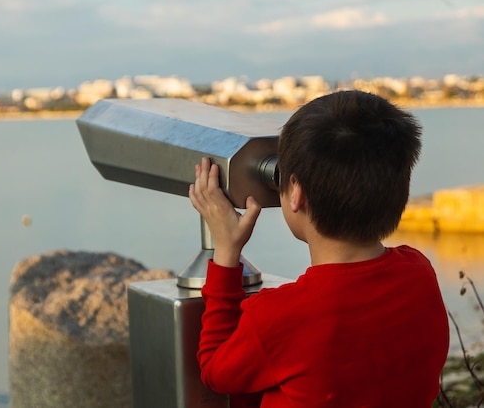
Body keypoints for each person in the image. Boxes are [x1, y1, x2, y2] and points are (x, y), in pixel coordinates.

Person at [188, 90, 450, 408]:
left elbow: (216, 370)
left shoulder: (280, 317)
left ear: (295, 192)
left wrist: (226, 254)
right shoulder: (419, 274)